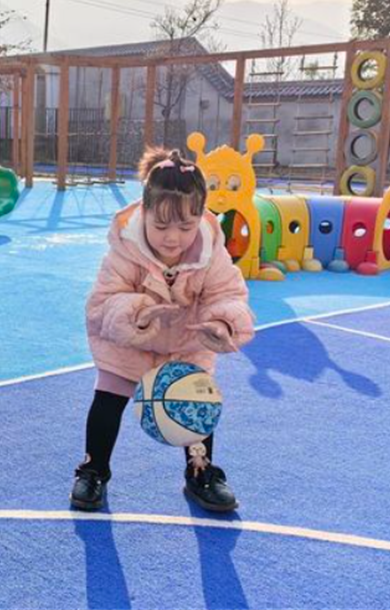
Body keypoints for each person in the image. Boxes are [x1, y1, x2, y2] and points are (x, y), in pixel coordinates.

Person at [73, 147, 254, 513]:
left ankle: (199, 471)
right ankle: (94, 469)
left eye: (186, 226)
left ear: (201, 216)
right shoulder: (126, 249)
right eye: (161, 225)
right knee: (109, 397)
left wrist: (221, 323)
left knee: (197, 402)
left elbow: (228, 293)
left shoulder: (211, 251)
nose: (173, 237)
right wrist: (138, 313)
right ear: (145, 213)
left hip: (188, 340)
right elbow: (101, 302)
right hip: (130, 341)